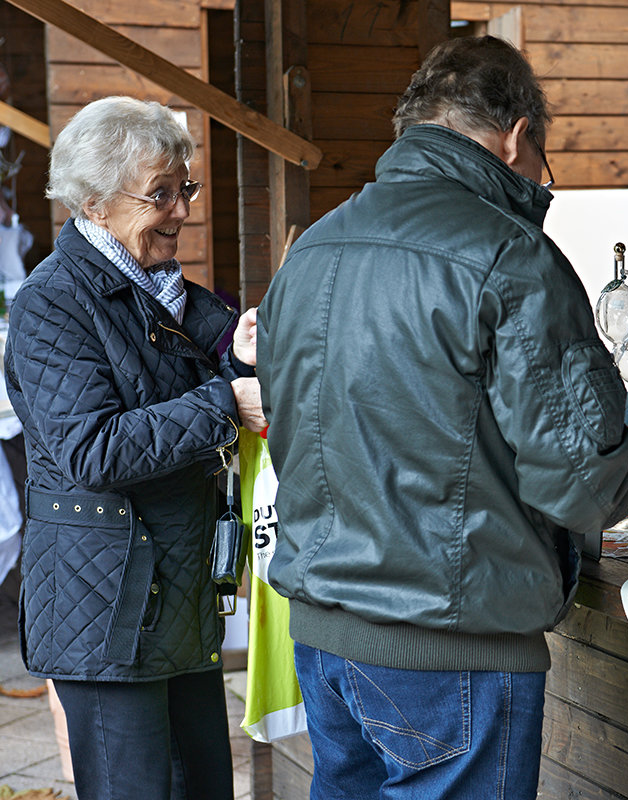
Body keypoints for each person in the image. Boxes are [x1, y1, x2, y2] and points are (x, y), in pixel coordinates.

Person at [257, 36, 628, 799]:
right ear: (516, 137)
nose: (541, 180)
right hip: (450, 648)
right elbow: (583, 485)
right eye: (544, 162)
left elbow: (292, 423)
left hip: (324, 635)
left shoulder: (313, 249)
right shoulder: (510, 256)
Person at [4, 96, 266, 800]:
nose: (182, 210)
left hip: (175, 605)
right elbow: (92, 450)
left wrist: (240, 360)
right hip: (105, 614)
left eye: (185, 188)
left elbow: (217, 366)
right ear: (94, 203)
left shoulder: (169, 294)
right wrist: (226, 402)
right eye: (161, 194)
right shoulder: (51, 304)